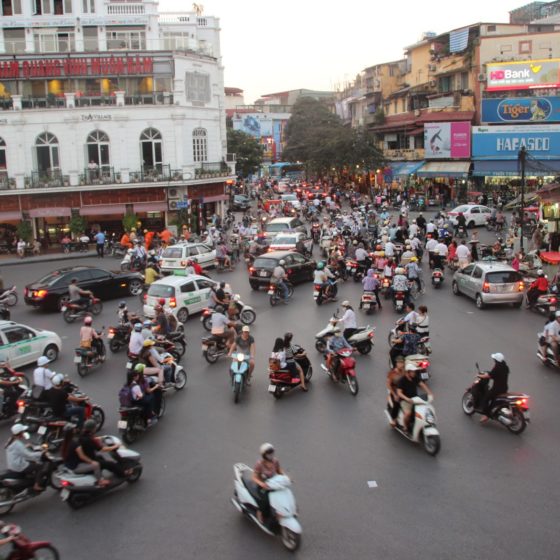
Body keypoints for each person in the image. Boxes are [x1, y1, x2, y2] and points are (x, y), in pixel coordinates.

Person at [5, 424, 47, 493]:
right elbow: (29, 455)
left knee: (32, 462)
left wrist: (25, 446)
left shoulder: (10, 440)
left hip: (12, 464)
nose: (24, 433)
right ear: (20, 433)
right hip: (18, 466)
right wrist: (41, 453)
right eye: (23, 431)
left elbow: (15, 450)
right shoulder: (18, 444)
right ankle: (36, 485)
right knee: (39, 467)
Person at [252, 443, 285, 525]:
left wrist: (285, 477)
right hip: (263, 486)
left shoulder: (275, 461)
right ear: (264, 455)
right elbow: (254, 477)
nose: (271, 455)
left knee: (282, 495)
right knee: (266, 500)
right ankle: (259, 513)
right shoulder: (259, 464)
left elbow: (279, 470)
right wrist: (261, 483)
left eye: (272, 452)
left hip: (274, 484)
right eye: (269, 453)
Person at [396, 363, 433, 432]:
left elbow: (422, 385)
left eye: (414, 371)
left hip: (415, 399)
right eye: (412, 371)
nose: (414, 373)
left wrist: (429, 393)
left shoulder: (415, 377)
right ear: (408, 372)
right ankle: (405, 426)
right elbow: (399, 393)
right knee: (408, 413)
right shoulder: (402, 380)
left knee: (423, 410)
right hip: (405, 400)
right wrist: (407, 399)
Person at [478, 353, 510, 423]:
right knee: (494, 400)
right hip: (504, 388)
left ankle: (486, 415)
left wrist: (480, 376)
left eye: (494, 359)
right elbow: (496, 375)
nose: (493, 360)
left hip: (497, 389)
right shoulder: (505, 367)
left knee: (486, 398)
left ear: (496, 360)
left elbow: (489, 376)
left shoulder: (497, 367)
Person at [387, 356, 405, 427]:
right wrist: (394, 395)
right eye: (399, 363)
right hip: (395, 392)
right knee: (397, 402)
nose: (401, 364)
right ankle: (394, 419)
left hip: (404, 391)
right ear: (397, 363)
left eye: (402, 363)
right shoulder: (392, 373)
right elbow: (388, 385)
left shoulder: (405, 372)